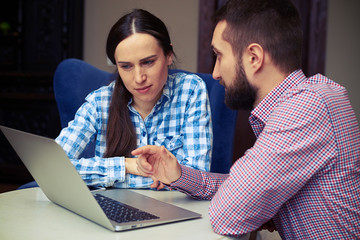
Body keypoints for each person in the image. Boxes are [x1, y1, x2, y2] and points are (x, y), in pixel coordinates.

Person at [132, 0, 360, 239]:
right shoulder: (312, 96)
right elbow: (243, 188)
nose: (216, 73)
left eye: (219, 56)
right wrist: (179, 176)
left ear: (254, 57)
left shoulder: (303, 110)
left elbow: (228, 215)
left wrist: (256, 205)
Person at [55, 9, 212, 189]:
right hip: (111, 209)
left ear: (168, 55)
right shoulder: (100, 101)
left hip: (172, 209)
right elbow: (53, 166)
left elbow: (197, 178)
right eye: (126, 66)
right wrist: (127, 165)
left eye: (148, 62)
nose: (139, 78)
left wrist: (111, 177)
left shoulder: (190, 90)